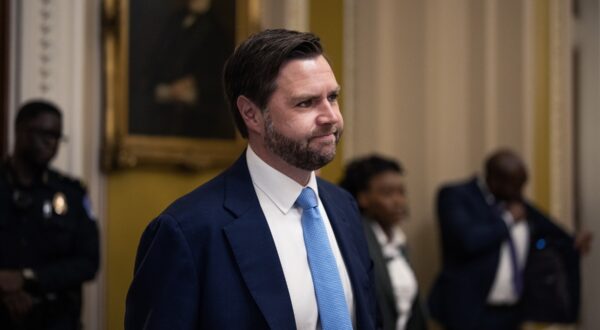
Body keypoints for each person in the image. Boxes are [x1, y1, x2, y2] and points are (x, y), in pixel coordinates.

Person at [125, 29, 377, 329]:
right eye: (305, 103)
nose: (330, 117)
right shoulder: (187, 232)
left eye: (332, 97)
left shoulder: (343, 206)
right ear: (251, 114)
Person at [428, 149, 592, 330]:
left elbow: (549, 230)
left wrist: (573, 241)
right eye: (515, 186)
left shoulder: (515, 202)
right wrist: (507, 221)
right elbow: (468, 241)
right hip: (469, 313)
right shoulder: (456, 196)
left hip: (511, 315)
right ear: (494, 181)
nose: (520, 192)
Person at [0, 100, 100, 329]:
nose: (51, 143)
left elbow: (88, 262)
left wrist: (27, 278)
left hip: (55, 319)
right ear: (20, 131)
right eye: (44, 133)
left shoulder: (71, 194)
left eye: (57, 136)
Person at [339, 155, 427, 330]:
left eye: (401, 192)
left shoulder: (397, 239)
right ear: (363, 197)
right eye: (387, 193)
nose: (399, 201)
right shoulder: (357, 240)